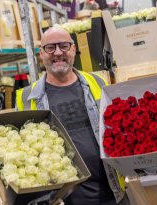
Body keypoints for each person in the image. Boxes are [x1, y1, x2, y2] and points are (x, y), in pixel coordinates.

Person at [16, 27, 128, 205]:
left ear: (74, 49)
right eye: (50, 47)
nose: (58, 52)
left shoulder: (97, 82)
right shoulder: (26, 97)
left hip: (111, 191)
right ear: (41, 54)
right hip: (62, 198)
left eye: (64, 46)